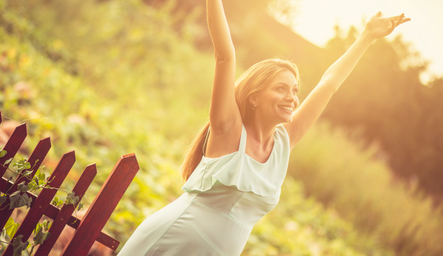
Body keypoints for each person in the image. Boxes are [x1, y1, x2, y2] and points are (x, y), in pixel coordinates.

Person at [118, 1, 410, 255]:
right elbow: (225, 54)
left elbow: (328, 84)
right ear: (255, 96)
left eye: (294, 90)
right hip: (172, 241)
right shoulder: (228, 129)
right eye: (281, 88)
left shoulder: (285, 141)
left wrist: (367, 37)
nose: (292, 97)